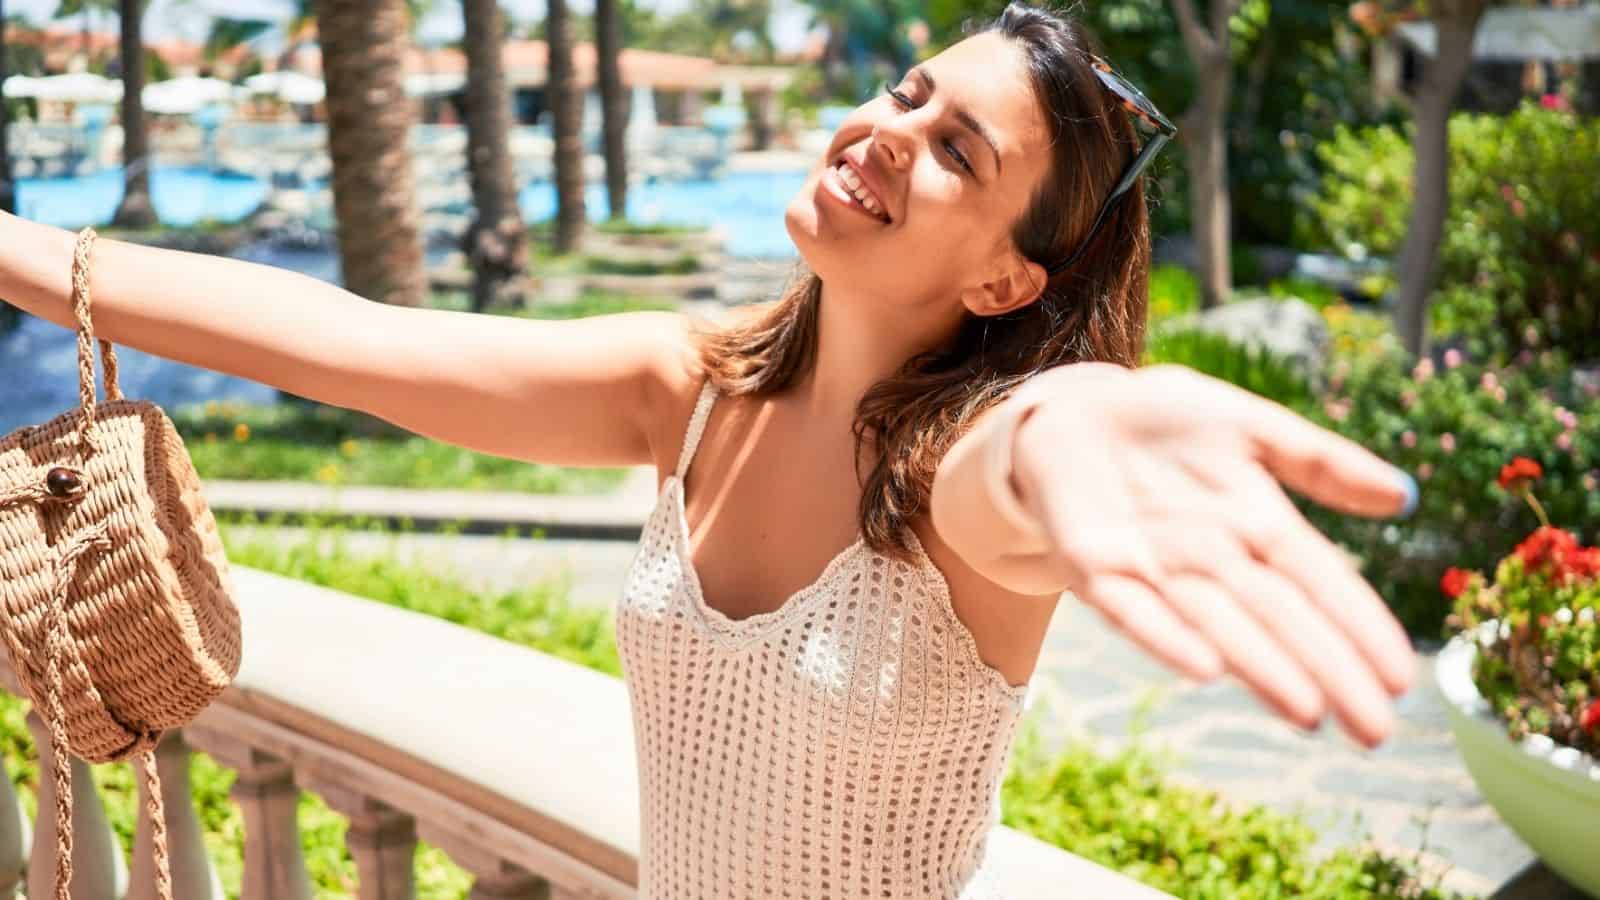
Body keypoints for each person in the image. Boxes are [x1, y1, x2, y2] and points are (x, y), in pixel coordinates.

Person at [0, 4, 1420, 896]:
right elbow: (337, 336)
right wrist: (18, 250)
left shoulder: (949, 479)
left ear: (1005, 283)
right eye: (912, 91)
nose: (886, 129)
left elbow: (1020, 462)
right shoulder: (688, 390)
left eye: (957, 153)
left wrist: (1083, 423)